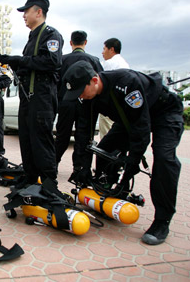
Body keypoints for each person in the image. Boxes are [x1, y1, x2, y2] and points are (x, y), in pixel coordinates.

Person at [63, 60, 184, 245]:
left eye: (80, 90)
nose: (79, 95)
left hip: (163, 112)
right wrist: (82, 167)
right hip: (129, 118)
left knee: (164, 159)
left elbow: (141, 131)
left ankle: (162, 220)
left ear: (94, 80)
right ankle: (110, 192)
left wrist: (130, 167)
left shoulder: (127, 83)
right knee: (104, 150)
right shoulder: (88, 96)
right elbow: (83, 131)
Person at [0, 0, 63, 184]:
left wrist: (20, 60)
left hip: (42, 97)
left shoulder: (51, 35)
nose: (24, 15)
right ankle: (30, 179)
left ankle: (49, 182)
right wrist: (14, 64)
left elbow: (52, 62)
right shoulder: (33, 37)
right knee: (26, 140)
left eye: (26, 11)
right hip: (28, 98)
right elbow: (32, 66)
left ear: (39, 12)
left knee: (41, 141)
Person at [55, 30, 103, 176]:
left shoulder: (62, 60)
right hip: (87, 104)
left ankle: (53, 164)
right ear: (85, 42)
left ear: (71, 43)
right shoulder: (94, 60)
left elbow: (56, 82)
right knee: (84, 136)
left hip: (66, 102)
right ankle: (80, 168)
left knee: (62, 135)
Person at [99, 37, 130, 139]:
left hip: (110, 106)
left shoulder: (110, 63)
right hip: (122, 106)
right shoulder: (124, 64)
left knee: (107, 136)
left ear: (111, 49)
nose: (102, 52)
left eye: (104, 49)